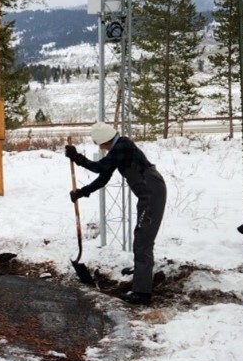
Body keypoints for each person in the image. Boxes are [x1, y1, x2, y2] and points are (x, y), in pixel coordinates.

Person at [66, 122, 167, 306]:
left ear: (104, 140)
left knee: (143, 240)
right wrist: (82, 192)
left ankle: (142, 293)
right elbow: (103, 177)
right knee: (141, 236)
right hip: (147, 192)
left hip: (151, 192)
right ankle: (140, 272)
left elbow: (98, 168)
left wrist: (77, 157)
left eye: (99, 143)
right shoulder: (120, 147)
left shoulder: (122, 146)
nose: (100, 147)